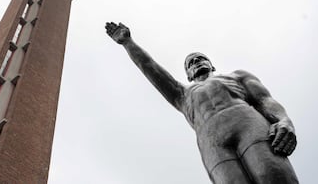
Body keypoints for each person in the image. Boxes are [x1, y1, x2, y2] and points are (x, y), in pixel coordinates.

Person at [105, 22, 298, 183]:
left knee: (272, 176)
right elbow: (150, 68)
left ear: (212, 65)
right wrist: (128, 43)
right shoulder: (181, 95)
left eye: (200, 58)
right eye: (191, 63)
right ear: (188, 75)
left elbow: (265, 100)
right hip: (212, 141)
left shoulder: (237, 76)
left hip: (248, 125)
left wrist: (284, 120)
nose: (196, 61)